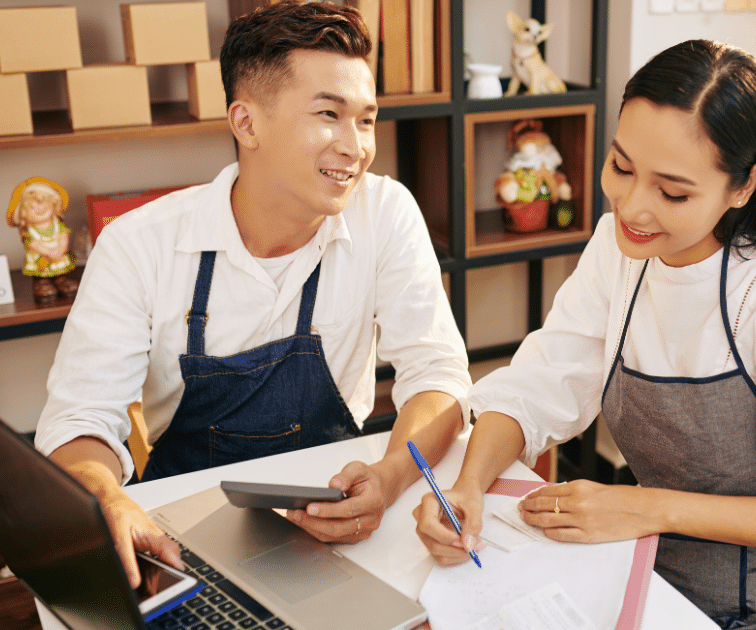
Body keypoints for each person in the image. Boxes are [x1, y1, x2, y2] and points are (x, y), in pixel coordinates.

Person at [414, 40, 756, 630]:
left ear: (742, 187)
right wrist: (467, 486)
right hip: (649, 577)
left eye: (672, 192)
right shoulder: (619, 257)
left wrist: (644, 506)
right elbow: (540, 386)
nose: (633, 208)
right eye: (621, 167)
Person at [35, 1, 470, 588]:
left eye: (365, 120)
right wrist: (104, 496)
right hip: (186, 527)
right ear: (246, 123)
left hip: (335, 510)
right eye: (328, 114)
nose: (356, 146)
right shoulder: (138, 245)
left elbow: (439, 373)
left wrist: (390, 475)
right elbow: (79, 418)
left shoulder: (384, 213)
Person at [6, 176, 81, 302]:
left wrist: (61, 249)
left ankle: (61, 281)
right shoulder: (29, 231)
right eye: (32, 207)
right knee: (41, 277)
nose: (39, 209)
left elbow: (63, 236)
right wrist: (49, 252)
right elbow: (33, 244)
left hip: (58, 256)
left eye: (44, 205)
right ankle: (42, 284)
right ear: (23, 212)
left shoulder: (57, 224)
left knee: (61, 272)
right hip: (42, 261)